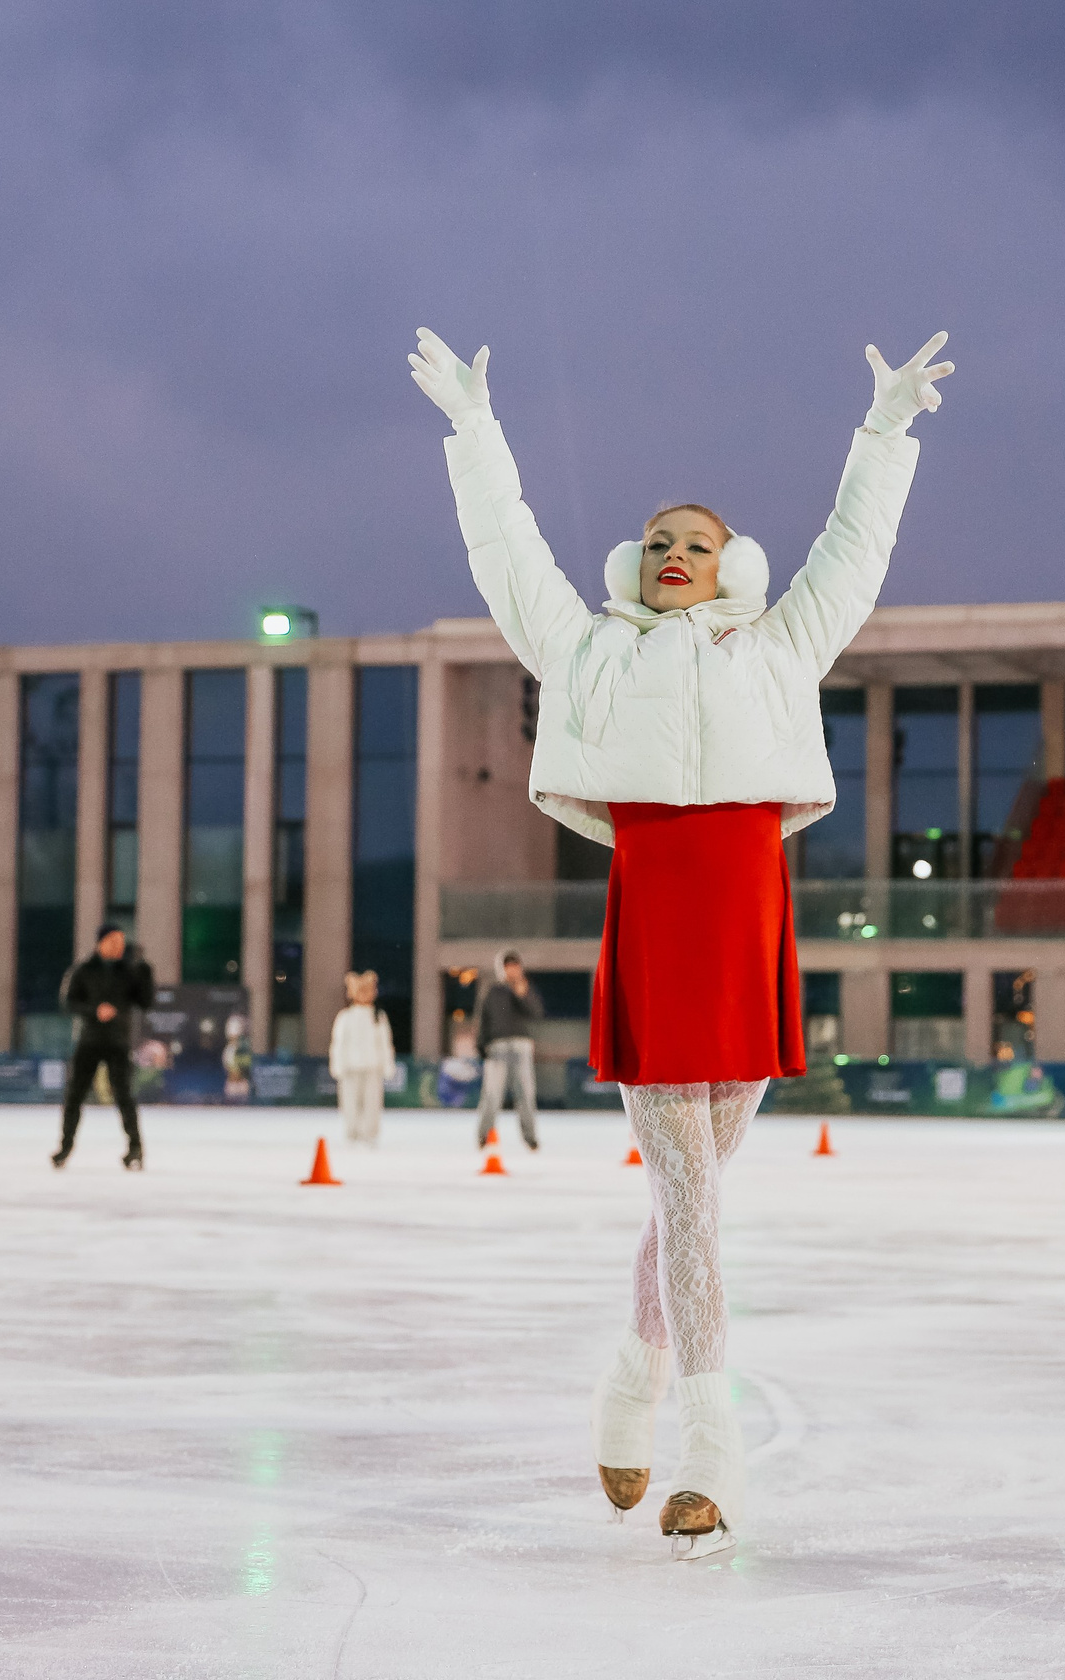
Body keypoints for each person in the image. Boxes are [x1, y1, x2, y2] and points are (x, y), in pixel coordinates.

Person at [410, 323, 952, 1559]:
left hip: (751, 916)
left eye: (695, 542)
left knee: (687, 1200)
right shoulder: (589, 646)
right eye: (656, 541)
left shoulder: (780, 644)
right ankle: (710, 1450)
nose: (672, 554)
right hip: (654, 918)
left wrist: (882, 435)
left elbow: (853, 553)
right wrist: (476, 433)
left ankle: (625, 1375)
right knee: (692, 1200)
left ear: (732, 566)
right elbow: (510, 560)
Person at [53, 924, 154, 1171]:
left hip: (118, 1042)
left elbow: (145, 1002)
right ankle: (65, 1147)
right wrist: (94, 1011)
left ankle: (135, 1148)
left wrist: (145, 973)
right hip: (89, 1041)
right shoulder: (84, 970)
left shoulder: (129, 971)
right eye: (113, 941)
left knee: (124, 1095)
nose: (118, 946)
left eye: (121, 941)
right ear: (101, 943)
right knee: (75, 1095)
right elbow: (68, 1003)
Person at [474, 951, 543, 1151]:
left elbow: (537, 1013)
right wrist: (481, 1045)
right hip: (497, 1047)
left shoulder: (525, 988)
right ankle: (484, 1136)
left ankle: (530, 1138)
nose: (512, 969)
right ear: (501, 969)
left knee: (526, 1094)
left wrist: (522, 994)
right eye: (508, 965)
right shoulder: (493, 991)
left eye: (515, 965)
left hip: (521, 1046)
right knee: (492, 1094)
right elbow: (483, 1019)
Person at [326, 969, 394, 1146]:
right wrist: (337, 1064)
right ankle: (352, 1132)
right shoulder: (345, 1017)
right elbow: (339, 1043)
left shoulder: (378, 1017)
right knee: (349, 1102)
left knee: (372, 1103)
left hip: (372, 1066)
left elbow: (385, 1043)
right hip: (350, 1067)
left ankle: (370, 1134)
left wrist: (387, 1064)